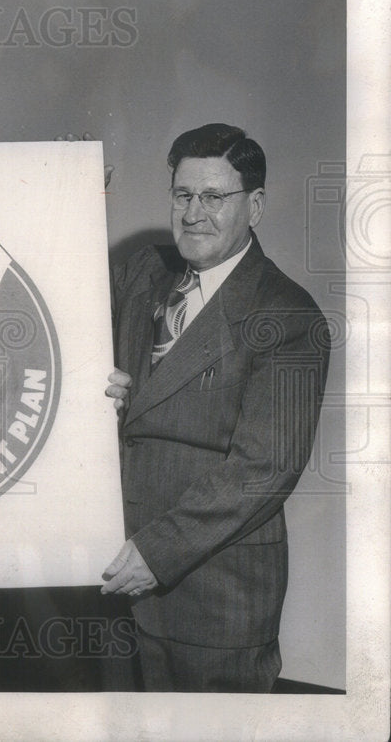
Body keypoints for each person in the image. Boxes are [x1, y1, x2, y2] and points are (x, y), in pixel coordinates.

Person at [101, 123, 329, 692]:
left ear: (254, 205)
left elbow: (265, 469)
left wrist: (154, 553)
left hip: (213, 595)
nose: (193, 213)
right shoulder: (142, 273)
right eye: (183, 195)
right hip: (111, 585)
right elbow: (59, 314)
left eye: (213, 197)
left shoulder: (290, 315)